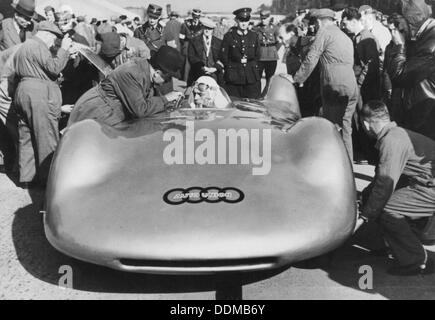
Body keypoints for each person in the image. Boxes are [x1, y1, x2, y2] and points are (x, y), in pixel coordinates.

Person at [356, 100, 435, 276]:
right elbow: (380, 179)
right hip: (425, 184)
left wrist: (364, 217)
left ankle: (415, 260)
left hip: (430, 188)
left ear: (366, 124)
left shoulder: (391, 141)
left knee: (387, 209)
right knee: (372, 196)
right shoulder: (395, 134)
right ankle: (382, 243)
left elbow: (385, 184)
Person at [292, 8, 358, 162]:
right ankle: (348, 165)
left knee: (330, 127)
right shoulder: (344, 36)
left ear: (320, 21)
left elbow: (311, 59)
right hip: (351, 86)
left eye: (315, 23)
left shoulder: (324, 33)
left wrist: (297, 79)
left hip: (334, 85)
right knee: (346, 127)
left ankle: (332, 165)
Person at [14, 21, 73, 188]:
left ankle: (27, 178)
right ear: (47, 34)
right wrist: (64, 50)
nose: (53, 44)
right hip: (39, 95)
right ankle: (49, 182)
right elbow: (54, 68)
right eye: (54, 40)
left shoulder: (24, 46)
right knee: (46, 137)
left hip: (23, 91)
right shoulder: (38, 46)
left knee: (26, 137)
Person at [68, 46, 184, 127]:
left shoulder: (145, 73)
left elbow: (150, 100)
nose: (167, 82)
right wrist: (166, 98)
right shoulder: (132, 73)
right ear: (158, 72)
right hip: (96, 115)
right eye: (167, 78)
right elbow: (140, 110)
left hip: (109, 114)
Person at [385, 0, 435, 142]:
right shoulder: (421, 36)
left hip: (424, 116)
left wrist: (400, 46)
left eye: (399, 24)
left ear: (410, 22)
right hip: (416, 112)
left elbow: (400, 75)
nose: (396, 29)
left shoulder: (430, 42)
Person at [220, 7, 261, 99]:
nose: (244, 23)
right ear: (236, 20)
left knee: (252, 105)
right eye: (241, 20)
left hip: (251, 77)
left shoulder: (254, 36)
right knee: (235, 104)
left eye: (246, 20)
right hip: (234, 77)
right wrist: (231, 68)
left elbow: (257, 56)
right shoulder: (229, 36)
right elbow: (224, 56)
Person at [342, 7, 380, 103]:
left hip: (365, 87)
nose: (343, 27)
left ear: (354, 22)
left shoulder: (365, 38)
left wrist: (359, 84)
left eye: (345, 23)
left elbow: (370, 66)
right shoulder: (358, 37)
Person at [187, 18, 223, 86]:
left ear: (213, 30)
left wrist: (215, 68)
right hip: (198, 73)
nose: (207, 30)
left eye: (209, 29)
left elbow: (222, 58)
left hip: (214, 74)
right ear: (202, 27)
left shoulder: (219, 42)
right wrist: (202, 67)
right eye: (205, 28)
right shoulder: (194, 41)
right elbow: (191, 57)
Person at [255, 10, 281, 97]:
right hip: (260, 56)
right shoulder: (256, 28)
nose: (263, 20)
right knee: (257, 77)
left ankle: (266, 95)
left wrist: (273, 49)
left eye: (265, 19)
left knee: (270, 78)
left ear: (269, 18)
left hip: (271, 56)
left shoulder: (275, 28)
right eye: (262, 18)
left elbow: (279, 42)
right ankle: (257, 95)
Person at [179, 9, 203, 82]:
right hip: (188, 46)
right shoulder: (186, 24)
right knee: (187, 65)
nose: (196, 19)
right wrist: (185, 44)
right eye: (195, 17)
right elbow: (181, 37)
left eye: (197, 17)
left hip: (198, 48)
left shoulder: (202, 25)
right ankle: (186, 80)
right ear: (192, 16)